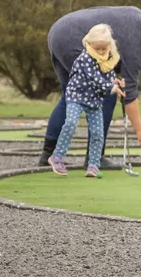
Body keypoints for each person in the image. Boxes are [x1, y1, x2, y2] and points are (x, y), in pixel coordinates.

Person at [38, 7, 141, 169]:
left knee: (70, 95)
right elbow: (130, 94)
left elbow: (125, 83)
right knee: (107, 93)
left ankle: (48, 157)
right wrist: (140, 131)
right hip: (72, 38)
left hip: (59, 31)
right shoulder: (136, 40)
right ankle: (95, 158)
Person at [47, 24, 126, 178]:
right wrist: (111, 88)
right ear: (89, 45)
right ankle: (57, 157)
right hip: (76, 96)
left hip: (94, 99)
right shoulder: (85, 59)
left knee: (97, 132)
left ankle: (93, 164)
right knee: (70, 123)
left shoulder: (107, 59)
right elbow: (95, 79)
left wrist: (115, 82)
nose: (101, 52)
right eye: (98, 49)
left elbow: (107, 77)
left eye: (104, 49)